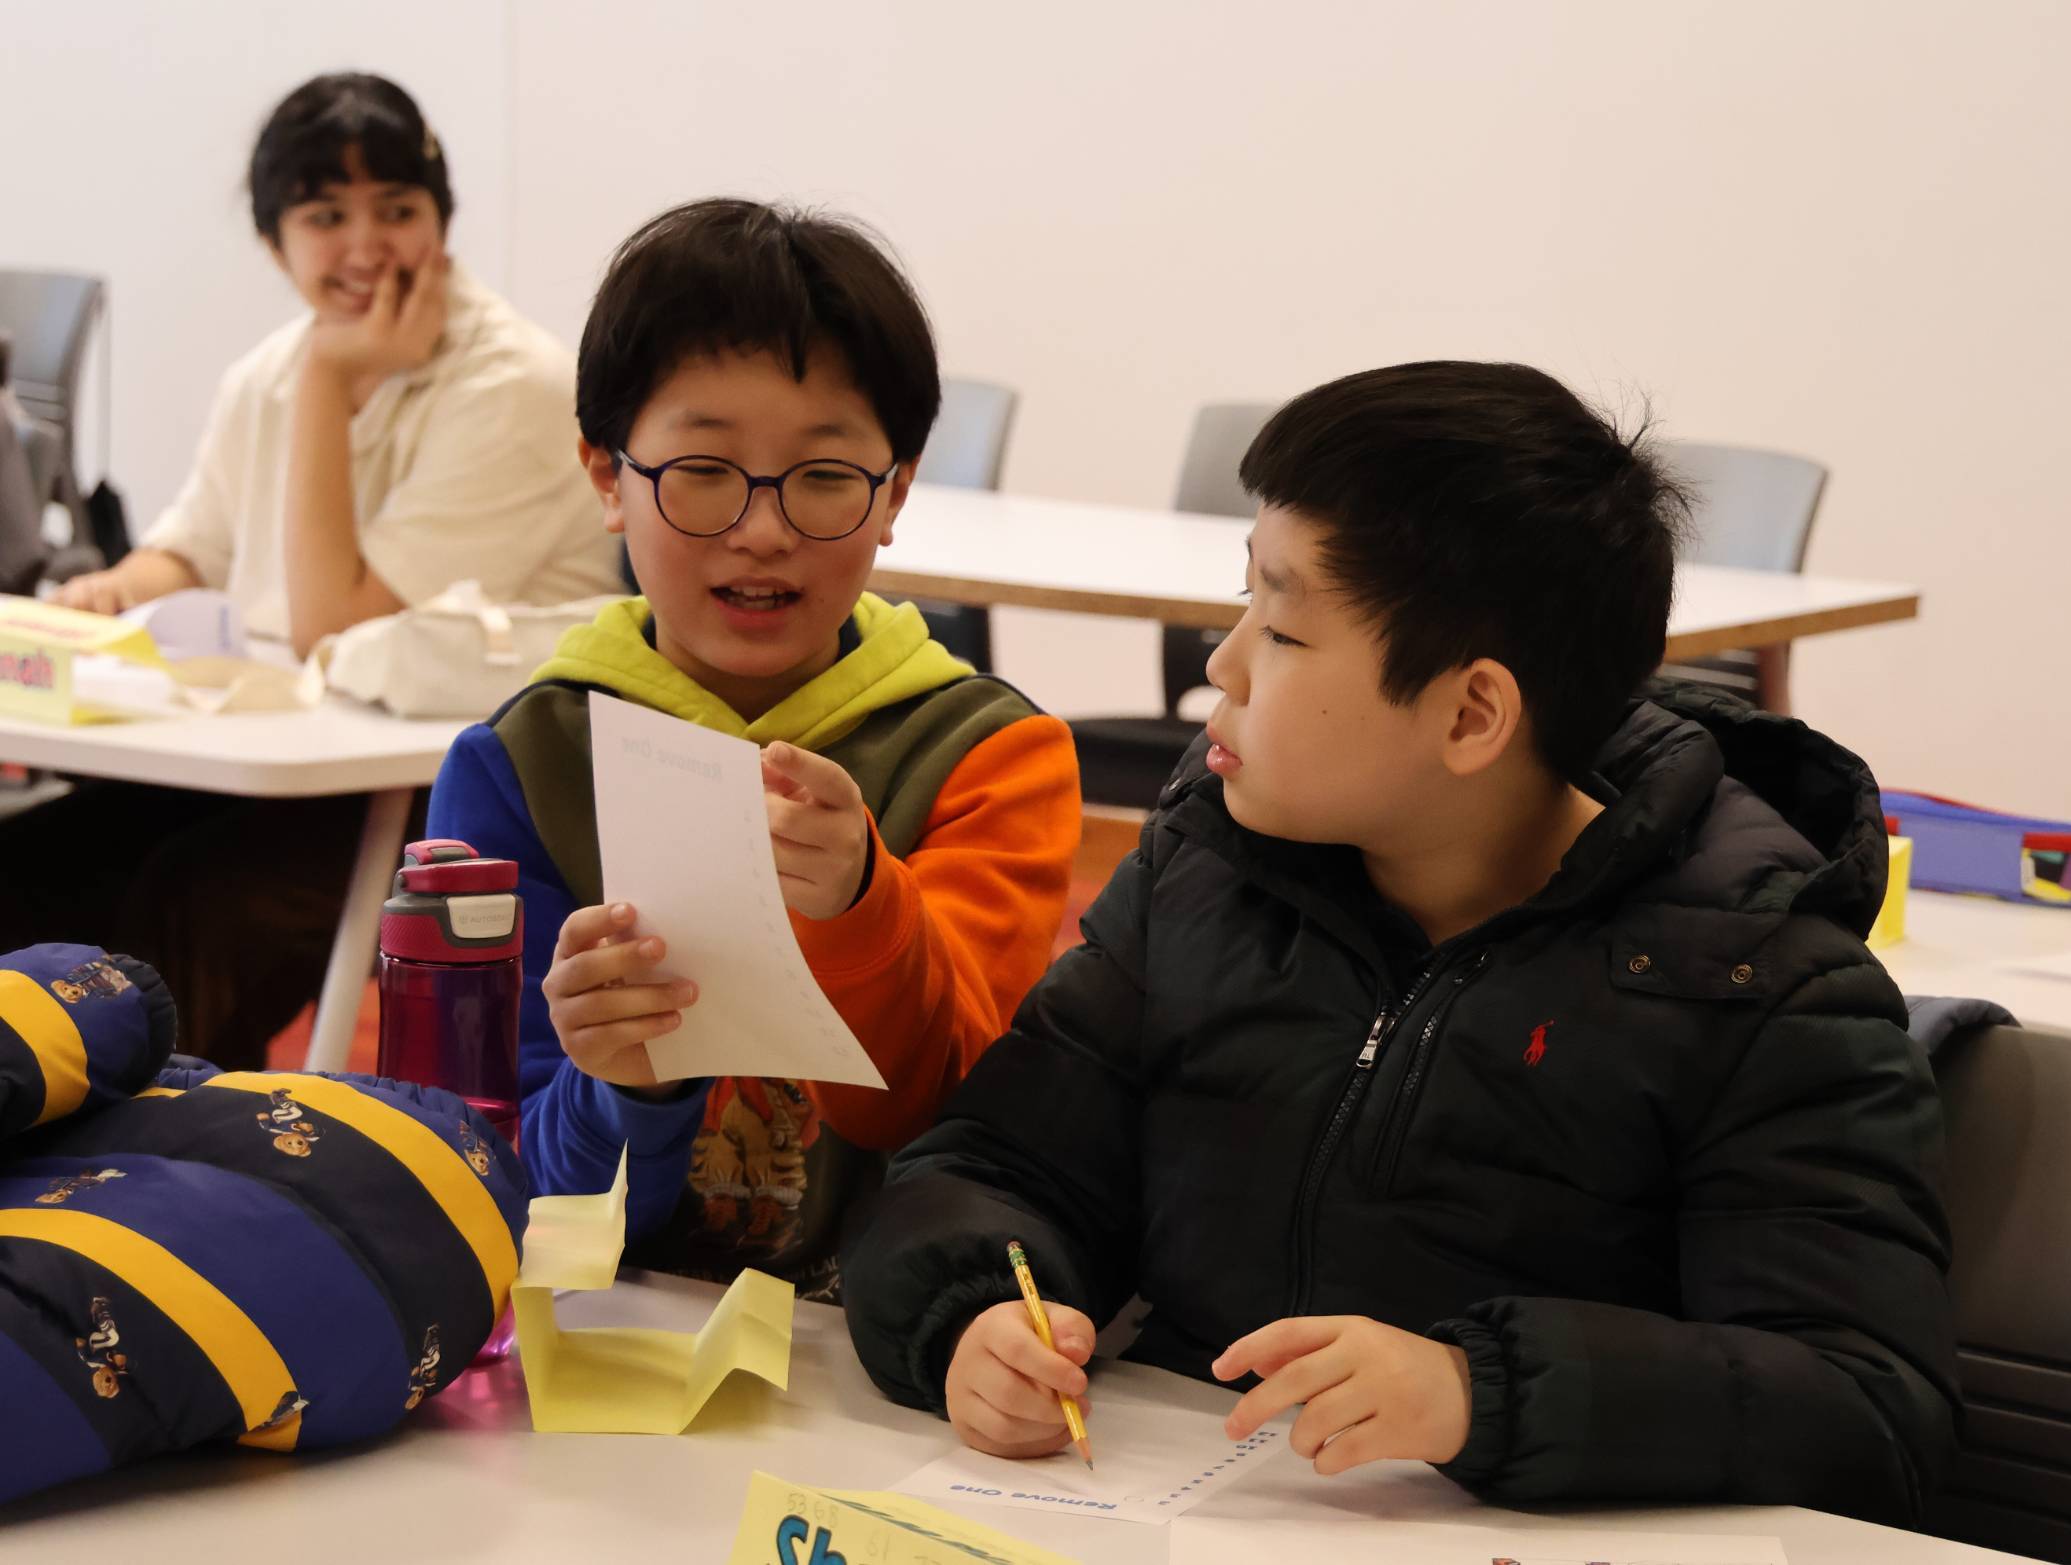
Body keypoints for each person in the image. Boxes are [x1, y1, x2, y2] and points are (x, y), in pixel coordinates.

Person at [842, 362, 1957, 1523]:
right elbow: (989, 1164)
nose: (1220, 666)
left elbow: (1868, 1407)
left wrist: (1480, 1391)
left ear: (1471, 715)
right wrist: (974, 1310)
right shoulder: (1210, 872)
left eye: (1278, 626)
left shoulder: (1753, 975)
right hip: (1179, 1512)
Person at [425, 198, 1081, 1302]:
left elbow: (957, 1113)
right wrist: (617, 1085)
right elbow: (475, 1172)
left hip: (892, 1339)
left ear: (896, 496)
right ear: (605, 476)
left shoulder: (986, 755)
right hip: (605, 1322)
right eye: (703, 470)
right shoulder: (524, 764)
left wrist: (864, 904)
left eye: (825, 476)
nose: (764, 528)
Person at [0, 72, 618, 1071]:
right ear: (273, 242)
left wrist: (330, 380)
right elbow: (190, 546)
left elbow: (337, 626)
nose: (366, 244)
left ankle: (168, 1181)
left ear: (442, 225)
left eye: (397, 210)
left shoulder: (513, 381)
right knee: (33, 867)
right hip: (293, 759)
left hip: (449, 789)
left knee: (197, 903)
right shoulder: (270, 372)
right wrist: (109, 593)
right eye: (327, 215)